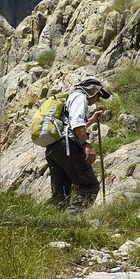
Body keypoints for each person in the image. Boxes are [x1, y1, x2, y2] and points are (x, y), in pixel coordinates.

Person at [46, 76, 110, 210]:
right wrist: (87, 144)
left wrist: (91, 121)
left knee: (61, 193)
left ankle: (53, 222)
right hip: (69, 147)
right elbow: (76, 124)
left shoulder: (70, 98)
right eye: (98, 95)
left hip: (55, 147)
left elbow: (71, 125)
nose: (98, 99)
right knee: (90, 185)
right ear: (92, 91)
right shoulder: (80, 98)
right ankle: (72, 219)